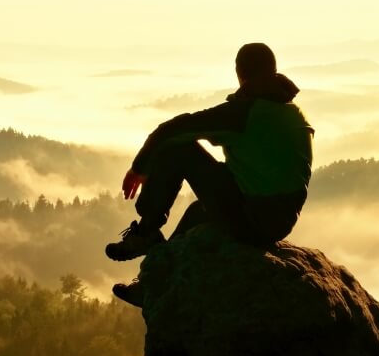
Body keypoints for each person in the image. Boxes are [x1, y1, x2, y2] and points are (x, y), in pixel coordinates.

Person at [105, 42, 314, 306]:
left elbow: (172, 130)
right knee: (198, 212)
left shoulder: (244, 112)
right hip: (280, 220)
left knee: (179, 150)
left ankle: (145, 233)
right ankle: (152, 284)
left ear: (240, 73)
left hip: (253, 216)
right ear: (273, 71)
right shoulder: (291, 112)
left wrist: (139, 168)